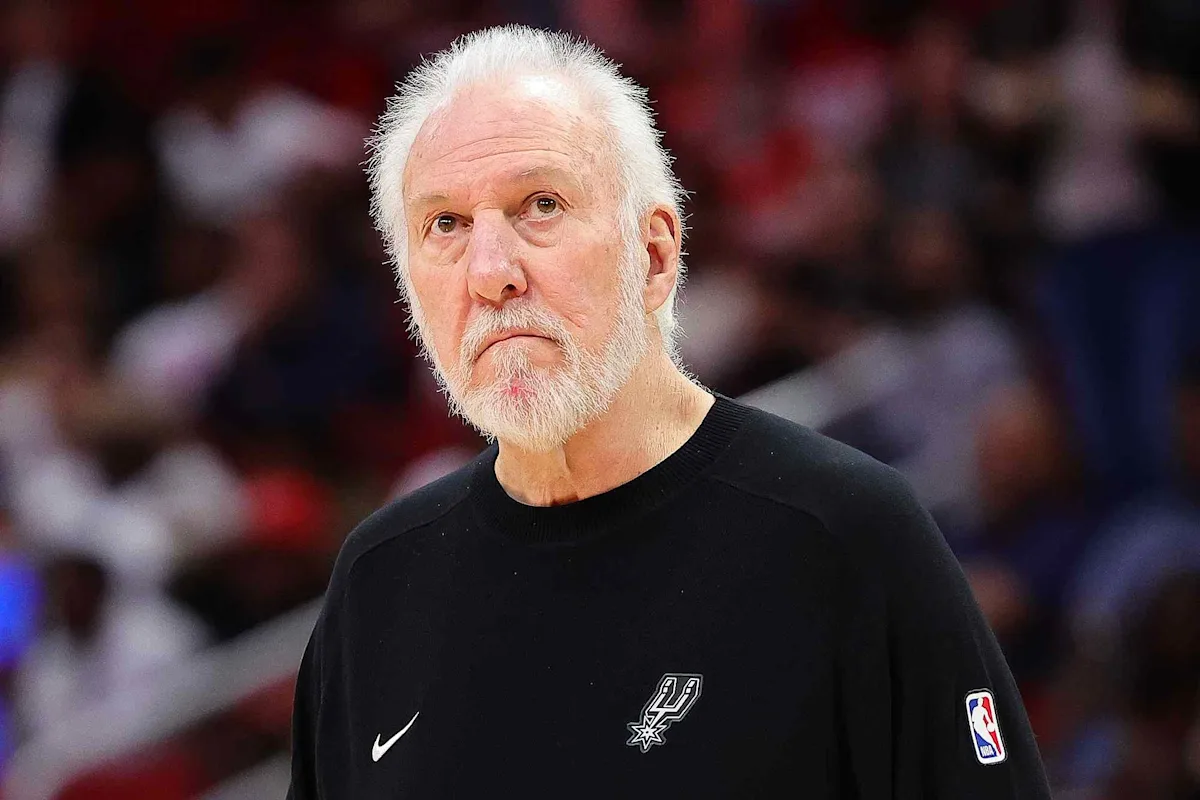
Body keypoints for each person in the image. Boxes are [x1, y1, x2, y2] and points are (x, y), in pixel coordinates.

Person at [287, 25, 1051, 799]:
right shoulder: (377, 585)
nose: (489, 272)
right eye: (444, 225)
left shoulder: (845, 532)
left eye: (540, 205)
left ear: (653, 255)